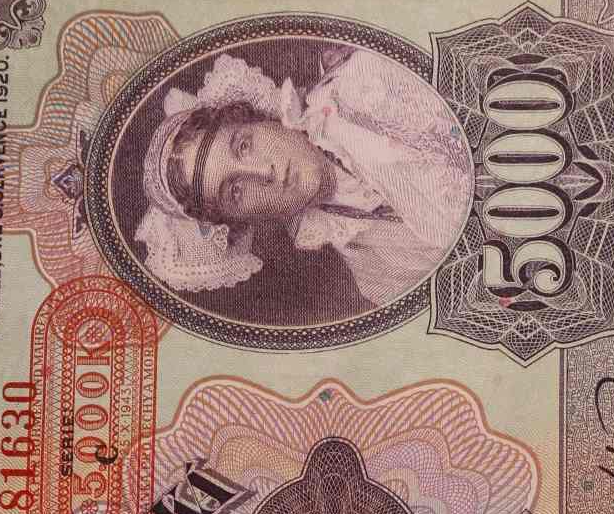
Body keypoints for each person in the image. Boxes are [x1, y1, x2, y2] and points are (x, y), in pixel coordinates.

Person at [136, 47, 474, 317]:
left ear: (260, 118)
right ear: (242, 222)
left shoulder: (365, 84)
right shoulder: (372, 271)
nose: (263, 173)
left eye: (243, 145)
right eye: (235, 191)